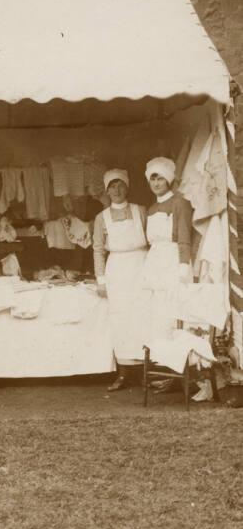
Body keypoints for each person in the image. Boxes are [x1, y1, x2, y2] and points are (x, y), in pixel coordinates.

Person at [93, 169, 148, 391]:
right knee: (120, 320)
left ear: (127, 187)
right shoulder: (101, 218)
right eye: (112, 186)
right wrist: (101, 280)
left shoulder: (140, 211)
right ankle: (123, 374)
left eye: (120, 185)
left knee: (143, 317)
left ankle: (145, 373)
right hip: (117, 270)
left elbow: (152, 241)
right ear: (106, 191)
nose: (116, 190)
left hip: (141, 267)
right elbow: (98, 250)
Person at [140, 156, 193, 351]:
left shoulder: (180, 203)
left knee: (173, 312)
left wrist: (182, 269)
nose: (156, 183)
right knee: (157, 313)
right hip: (155, 263)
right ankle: (160, 363)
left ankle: (177, 367)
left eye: (160, 178)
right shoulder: (151, 209)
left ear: (168, 180)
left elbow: (184, 238)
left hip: (174, 262)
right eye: (152, 179)